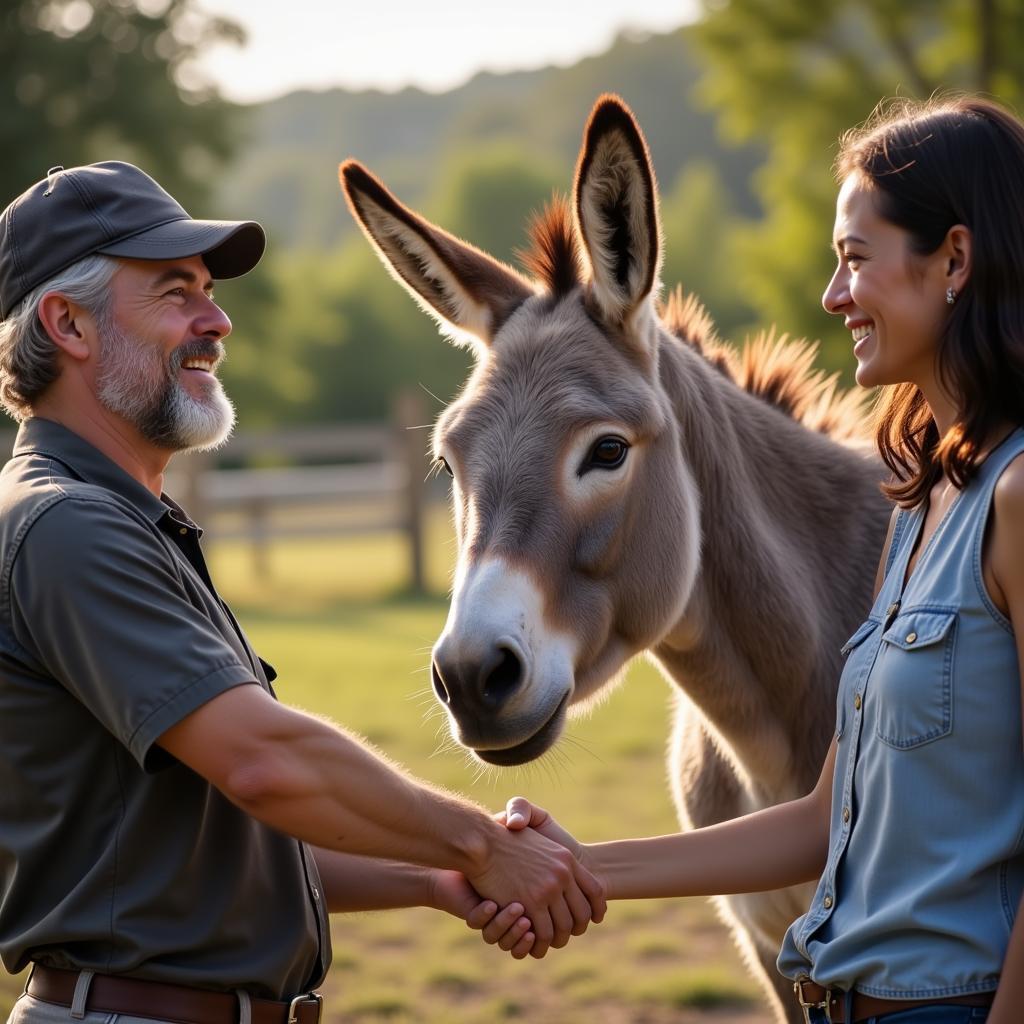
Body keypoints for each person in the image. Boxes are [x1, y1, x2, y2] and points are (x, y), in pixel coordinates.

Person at [0, 161, 605, 1024]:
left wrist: (440, 879)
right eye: (177, 293)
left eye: (209, 290)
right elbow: (265, 762)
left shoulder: (118, 520)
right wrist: (479, 844)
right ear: (68, 325)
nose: (217, 320)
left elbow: (214, 852)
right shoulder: (67, 527)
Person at [496, 95, 1024, 1024]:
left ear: (955, 260)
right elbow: (824, 825)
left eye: (855, 259)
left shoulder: (1018, 503)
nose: (832, 296)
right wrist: (575, 865)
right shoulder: (920, 505)